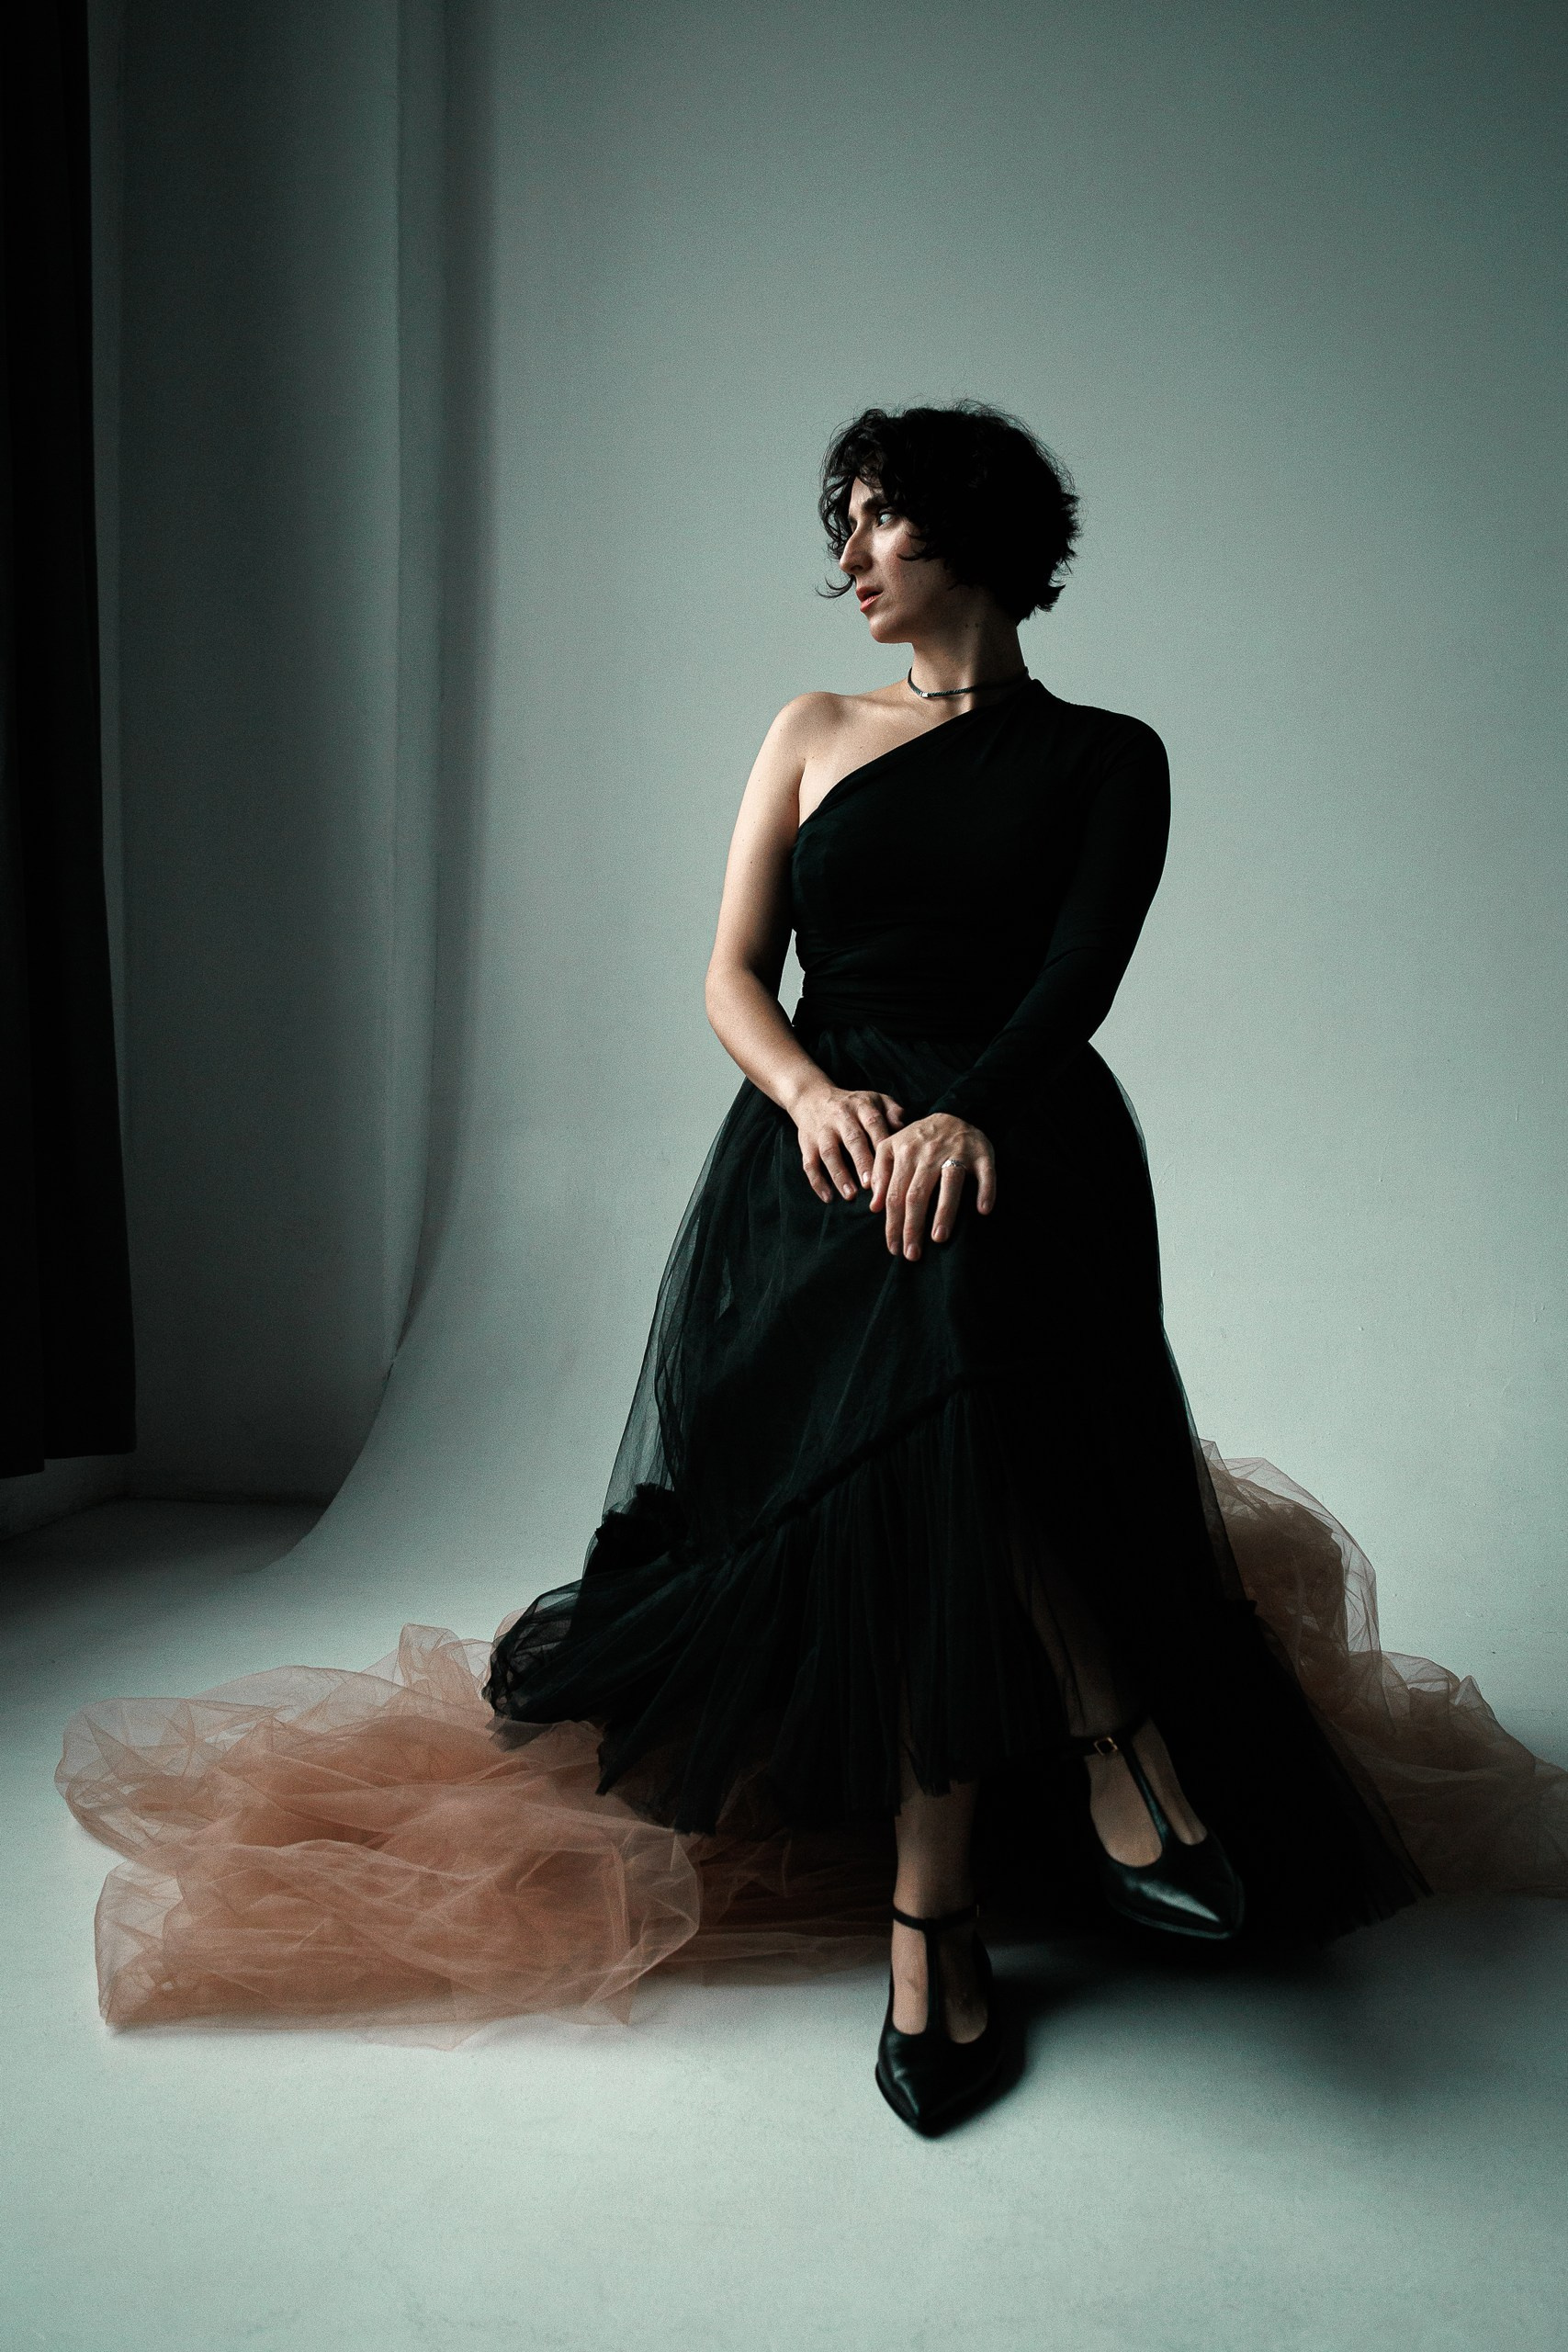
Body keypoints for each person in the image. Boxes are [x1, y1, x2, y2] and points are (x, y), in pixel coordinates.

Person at [57, 401, 1567, 2129]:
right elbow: (730, 974)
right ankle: (1107, 1744)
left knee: (955, 1314)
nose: (847, 555)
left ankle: (940, 1923)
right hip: (825, 1150)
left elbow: (1078, 979)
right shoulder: (812, 728)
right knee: (937, 1346)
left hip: (1019, 1137)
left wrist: (970, 1113)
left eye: (878, 518)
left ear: (974, 531)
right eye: (837, 524)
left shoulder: (1112, 756)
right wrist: (815, 1099)